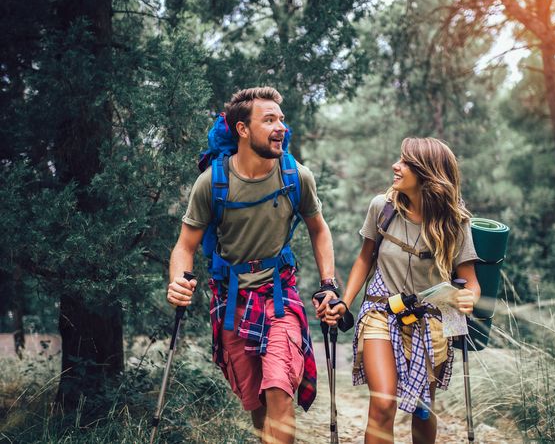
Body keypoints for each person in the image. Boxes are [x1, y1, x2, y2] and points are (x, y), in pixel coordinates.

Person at [166, 87, 338, 444]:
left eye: (282, 120)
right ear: (242, 129)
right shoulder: (212, 184)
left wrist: (329, 283)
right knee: (258, 405)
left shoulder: (296, 176)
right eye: (269, 120)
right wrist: (177, 281)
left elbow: (319, 230)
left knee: (278, 388)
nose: (281, 128)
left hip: (279, 296)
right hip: (231, 300)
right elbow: (185, 246)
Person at [326, 137, 481, 444]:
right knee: (383, 403)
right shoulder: (382, 208)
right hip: (381, 310)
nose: (395, 166)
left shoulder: (455, 222)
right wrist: (344, 302)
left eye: (405, 162)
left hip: (432, 319)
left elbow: (470, 282)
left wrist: (468, 298)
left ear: (427, 173)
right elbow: (364, 259)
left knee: (424, 409)